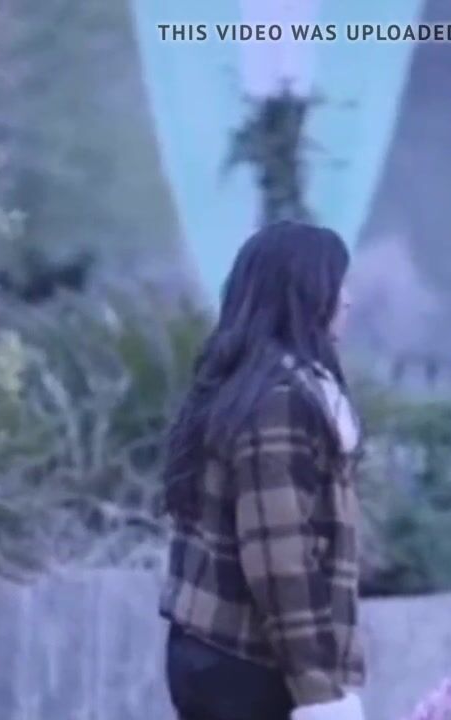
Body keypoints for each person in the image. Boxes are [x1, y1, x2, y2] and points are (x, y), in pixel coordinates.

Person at [158, 221, 364, 720]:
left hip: (216, 656)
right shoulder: (280, 401)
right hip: (248, 669)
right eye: (337, 285)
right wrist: (321, 696)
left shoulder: (249, 385)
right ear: (305, 295)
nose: (348, 300)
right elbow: (280, 560)